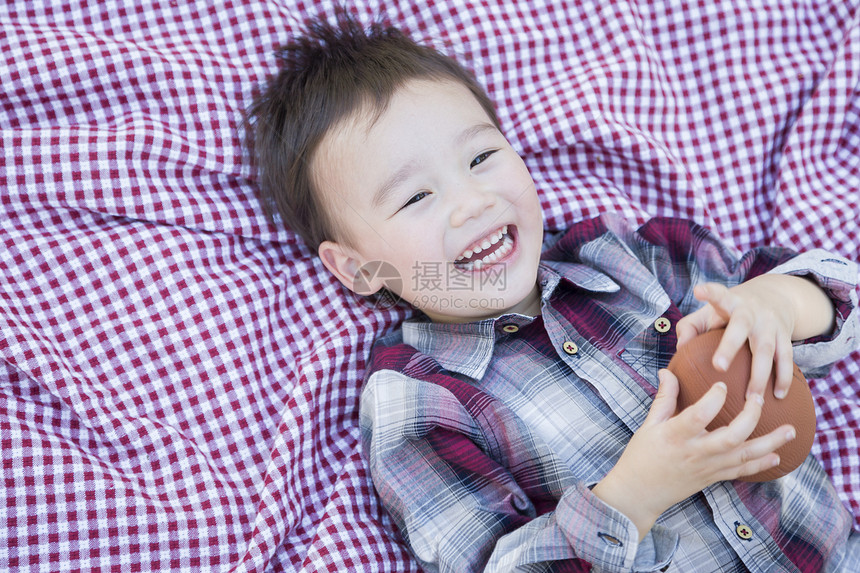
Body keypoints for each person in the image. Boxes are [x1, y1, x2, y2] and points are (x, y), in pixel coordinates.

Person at [244, 11, 860, 572]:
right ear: (359, 270)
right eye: (416, 197)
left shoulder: (626, 257)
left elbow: (837, 298)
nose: (472, 202)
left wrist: (781, 305)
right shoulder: (421, 402)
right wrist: (635, 494)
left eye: (482, 157)